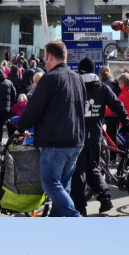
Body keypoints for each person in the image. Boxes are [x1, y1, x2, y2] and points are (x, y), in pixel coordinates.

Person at [15, 40, 86, 217]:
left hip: (55, 141)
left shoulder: (50, 78)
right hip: (76, 139)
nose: (44, 63)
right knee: (63, 185)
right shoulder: (77, 78)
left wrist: (20, 127)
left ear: (49, 57)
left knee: (51, 184)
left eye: (45, 59)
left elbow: (34, 108)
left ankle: (75, 218)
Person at [71, 57, 129, 215]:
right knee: (93, 169)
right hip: (96, 136)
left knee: (78, 173)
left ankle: (80, 208)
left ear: (79, 70)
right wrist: (127, 126)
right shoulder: (103, 88)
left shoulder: (75, 86)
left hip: (78, 137)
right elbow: (118, 106)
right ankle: (105, 197)